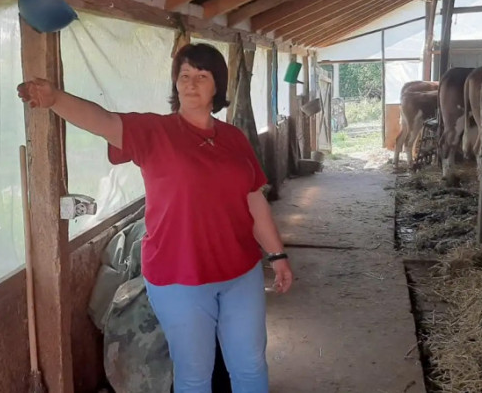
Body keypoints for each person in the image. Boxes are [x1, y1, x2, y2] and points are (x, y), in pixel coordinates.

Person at [17, 43, 293, 393]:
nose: (191, 83)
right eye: (184, 75)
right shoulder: (155, 132)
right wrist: (56, 98)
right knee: (195, 374)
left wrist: (277, 255)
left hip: (241, 272)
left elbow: (254, 200)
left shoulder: (234, 138)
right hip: (180, 276)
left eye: (202, 76)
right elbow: (103, 121)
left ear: (217, 87)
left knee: (251, 365)